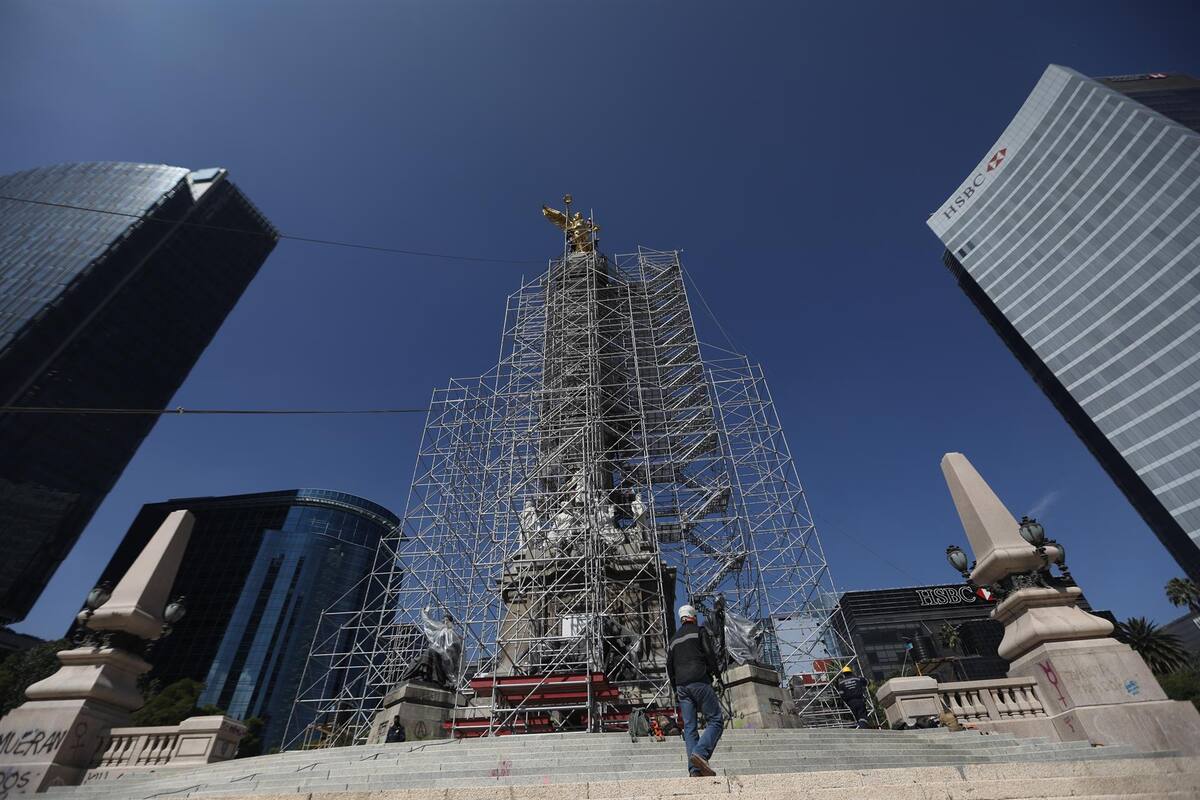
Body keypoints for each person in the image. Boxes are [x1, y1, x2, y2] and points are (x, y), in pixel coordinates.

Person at [667, 603, 723, 778]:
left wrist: (675, 687)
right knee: (715, 720)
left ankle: (695, 771)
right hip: (699, 680)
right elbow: (709, 654)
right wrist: (717, 674)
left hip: (682, 686)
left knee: (690, 727)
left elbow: (669, 666)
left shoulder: (673, 639)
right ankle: (701, 753)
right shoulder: (699, 631)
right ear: (693, 617)